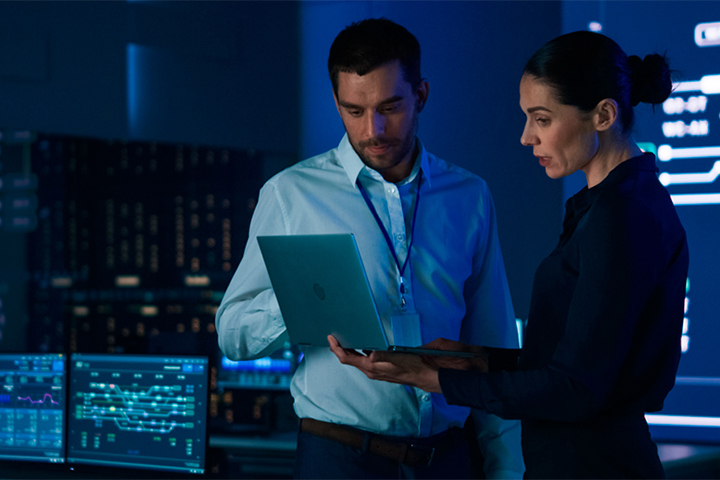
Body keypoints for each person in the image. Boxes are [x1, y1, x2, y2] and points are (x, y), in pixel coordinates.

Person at [329, 30, 689, 479]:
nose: (525, 137)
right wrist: (474, 359)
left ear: (603, 114)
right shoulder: (613, 206)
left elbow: (576, 387)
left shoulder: (621, 215)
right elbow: (579, 361)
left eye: (541, 119)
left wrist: (437, 380)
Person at [215, 17, 524, 480]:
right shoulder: (290, 194)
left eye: (390, 106)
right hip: (337, 457)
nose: (373, 129)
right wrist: (303, 298)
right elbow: (232, 334)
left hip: (448, 461)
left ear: (420, 95)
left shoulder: (470, 195)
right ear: (337, 103)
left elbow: (493, 344)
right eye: (354, 111)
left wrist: (508, 469)